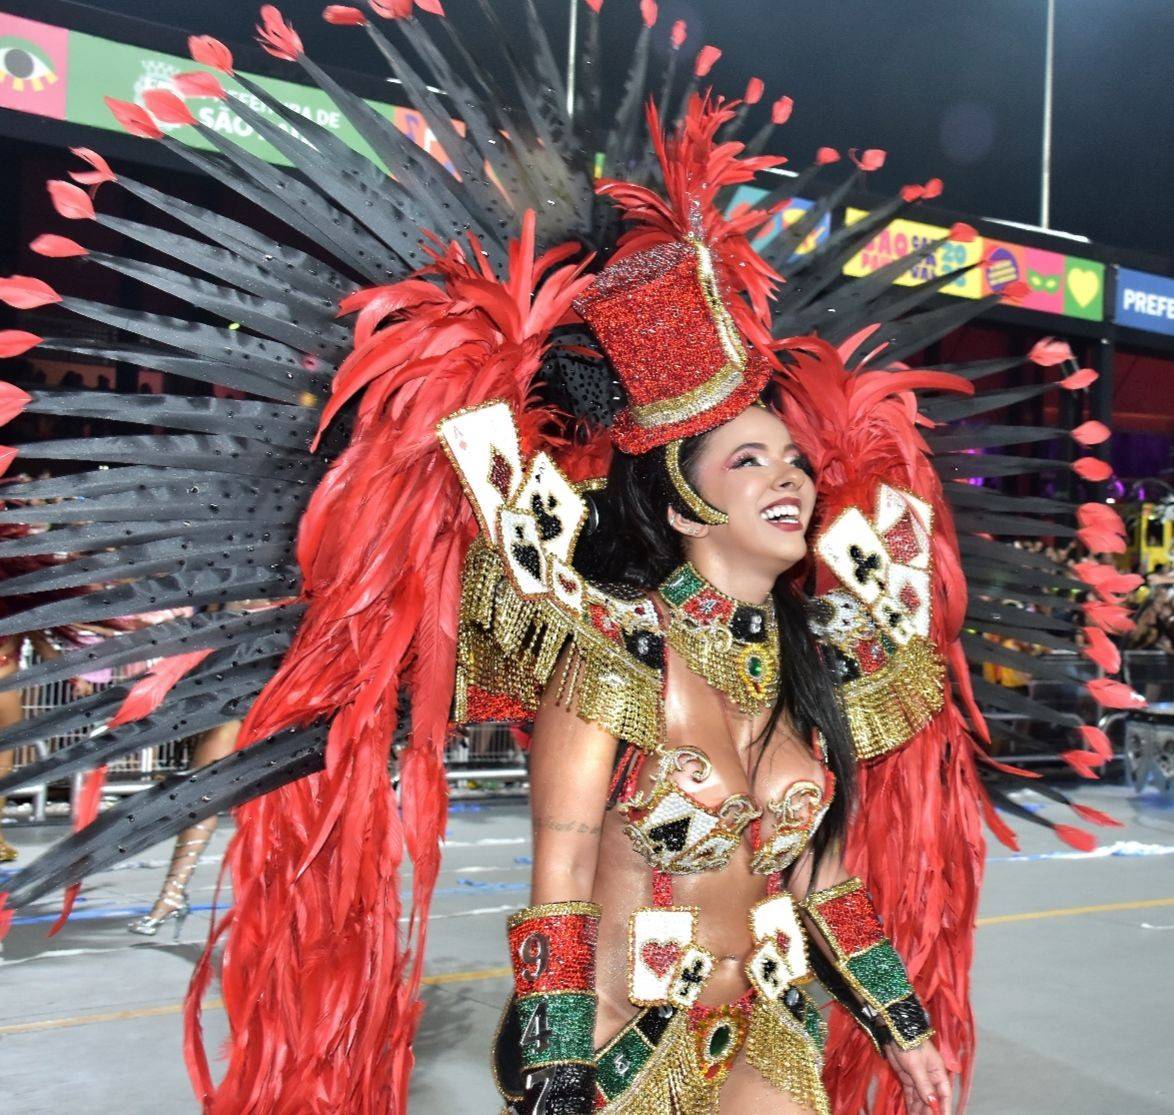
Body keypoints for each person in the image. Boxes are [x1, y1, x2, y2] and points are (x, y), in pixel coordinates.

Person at [0, 8, 1135, 1113]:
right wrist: (555, 1081)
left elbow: (827, 882)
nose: (792, 478)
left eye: (795, 457)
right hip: (623, 1048)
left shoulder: (820, 662)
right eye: (752, 459)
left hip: (779, 1026)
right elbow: (558, 888)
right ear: (688, 495)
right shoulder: (607, 659)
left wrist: (904, 1026)